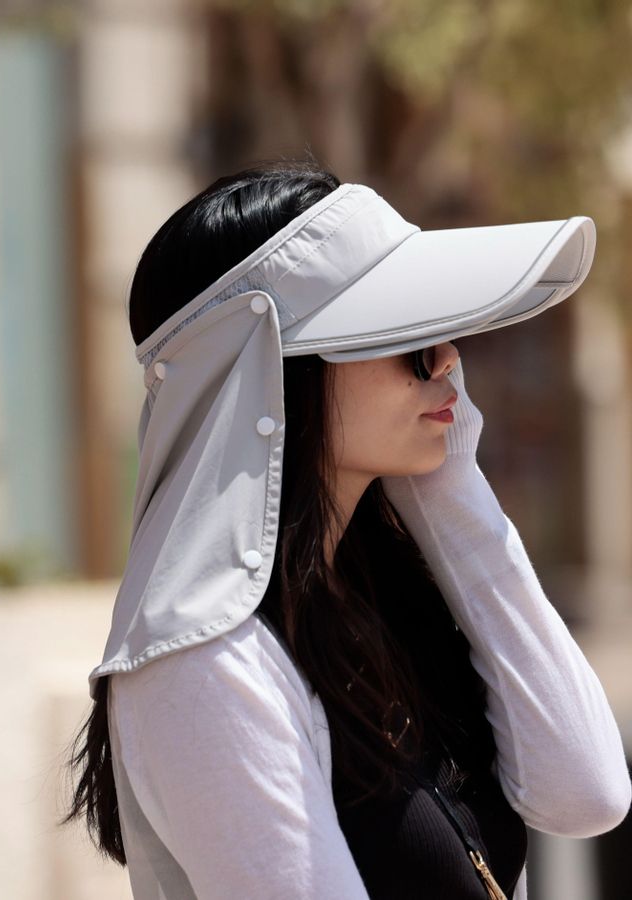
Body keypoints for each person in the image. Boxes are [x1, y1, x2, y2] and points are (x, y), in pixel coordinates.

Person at [67, 163, 631, 899]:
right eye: (403, 332)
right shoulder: (206, 660)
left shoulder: (383, 593)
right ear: (270, 373)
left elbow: (585, 792)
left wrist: (447, 475)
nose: (447, 359)